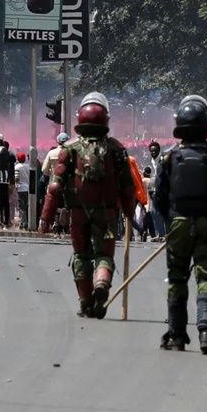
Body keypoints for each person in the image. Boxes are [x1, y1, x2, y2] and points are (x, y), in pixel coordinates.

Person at [154, 95, 207, 353]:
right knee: (206, 277)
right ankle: (206, 334)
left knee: (177, 278)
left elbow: (159, 196)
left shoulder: (169, 158)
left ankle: (177, 337)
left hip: (178, 223)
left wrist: (171, 219)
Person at [39, 94, 137, 319]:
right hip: (107, 214)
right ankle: (101, 282)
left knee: (81, 255)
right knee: (105, 254)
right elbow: (127, 186)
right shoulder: (116, 149)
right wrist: (130, 213)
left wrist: (46, 218)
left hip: (78, 213)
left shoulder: (70, 149)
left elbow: (55, 187)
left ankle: (85, 303)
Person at [15, 152, 32, 229]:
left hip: (21, 189)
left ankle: (23, 223)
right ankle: (28, 222)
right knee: (27, 206)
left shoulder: (17, 167)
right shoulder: (29, 166)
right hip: (28, 189)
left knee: (21, 207)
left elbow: (16, 178)